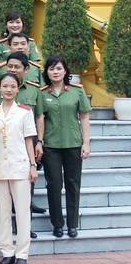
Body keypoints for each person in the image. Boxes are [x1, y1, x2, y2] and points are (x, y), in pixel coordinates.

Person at [36, 55, 91, 238]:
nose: (55, 72)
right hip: (51, 146)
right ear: (47, 72)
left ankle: (73, 224)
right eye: (51, 69)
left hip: (73, 144)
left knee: (73, 184)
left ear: (65, 71)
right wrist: (40, 142)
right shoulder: (43, 93)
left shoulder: (77, 91)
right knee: (53, 184)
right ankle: (57, 224)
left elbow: (84, 117)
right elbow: (40, 119)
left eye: (58, 68)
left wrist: (86, 143)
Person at [0, 73, 39, 264]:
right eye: (5, 86)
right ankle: (7, 250)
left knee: (21, 211)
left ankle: (22, 253)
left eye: (12, 86)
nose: (9, 90)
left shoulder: (24, 112)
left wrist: (33, 165)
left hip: (20, 166)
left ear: (18, 88)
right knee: (3, 211)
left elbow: (29, 139)